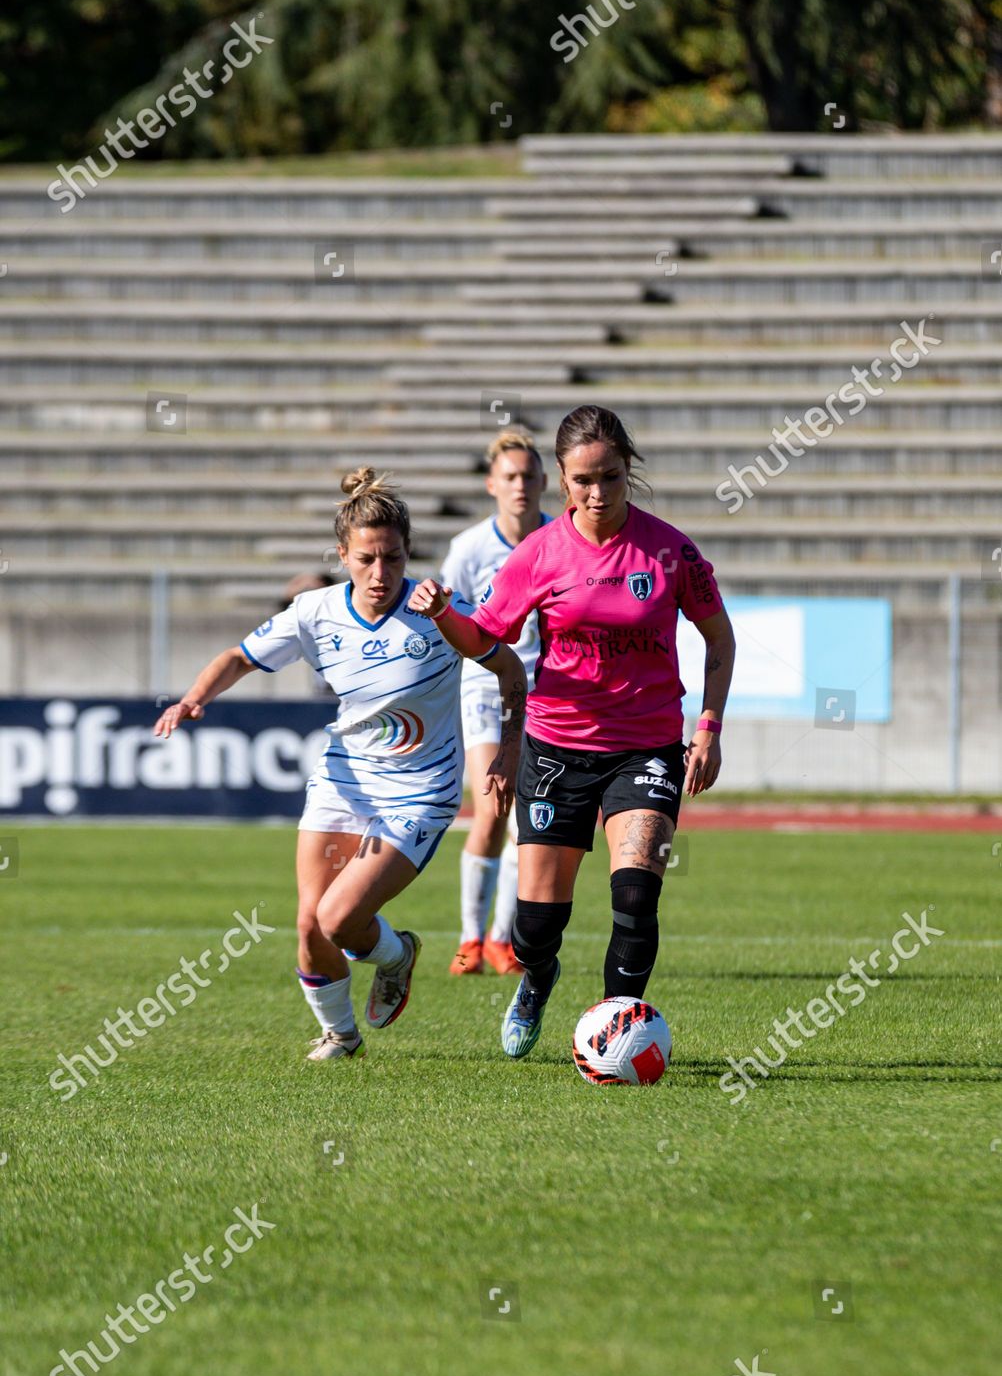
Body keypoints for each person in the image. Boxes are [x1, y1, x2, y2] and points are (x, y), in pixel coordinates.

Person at [154, 469, 526, 1063]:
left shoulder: (439, 612)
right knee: (308, 924)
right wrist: (195, 697)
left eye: (394, 558)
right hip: (343, 780)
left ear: (409, 554)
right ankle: (341, 1036)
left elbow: (510, 670)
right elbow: (239, 657)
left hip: (418, 793)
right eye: (367, 559)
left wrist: (508, 749)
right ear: (342, 555)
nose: (381, 574)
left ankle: (398, 955)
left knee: (339, 916)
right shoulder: (315, 611)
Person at [410, 405, 735, 1059]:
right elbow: (485, 636)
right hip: (556, 748)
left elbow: (718, 636)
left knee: (638, 894)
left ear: (628, 471)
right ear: (562, 477)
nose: (596, 493)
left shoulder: (671, 550)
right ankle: (536, 979)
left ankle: (619, 1032)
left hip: (645, 747)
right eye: (583, 480)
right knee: (534, 929)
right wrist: (445, 615)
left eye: (610, 478)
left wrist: (708, 727)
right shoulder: (539, 554)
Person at [439, 427, 551, 977]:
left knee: (526, 821)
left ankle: (503, 941)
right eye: (510, 476)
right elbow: (445, 623)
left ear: (545, 481)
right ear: (491, 484)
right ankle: (469, 939)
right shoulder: (469, 549)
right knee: (489, 810)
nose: (521, 485)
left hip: (547, 694)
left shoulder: (561, 540)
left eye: (529, 475)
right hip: (486, 689)